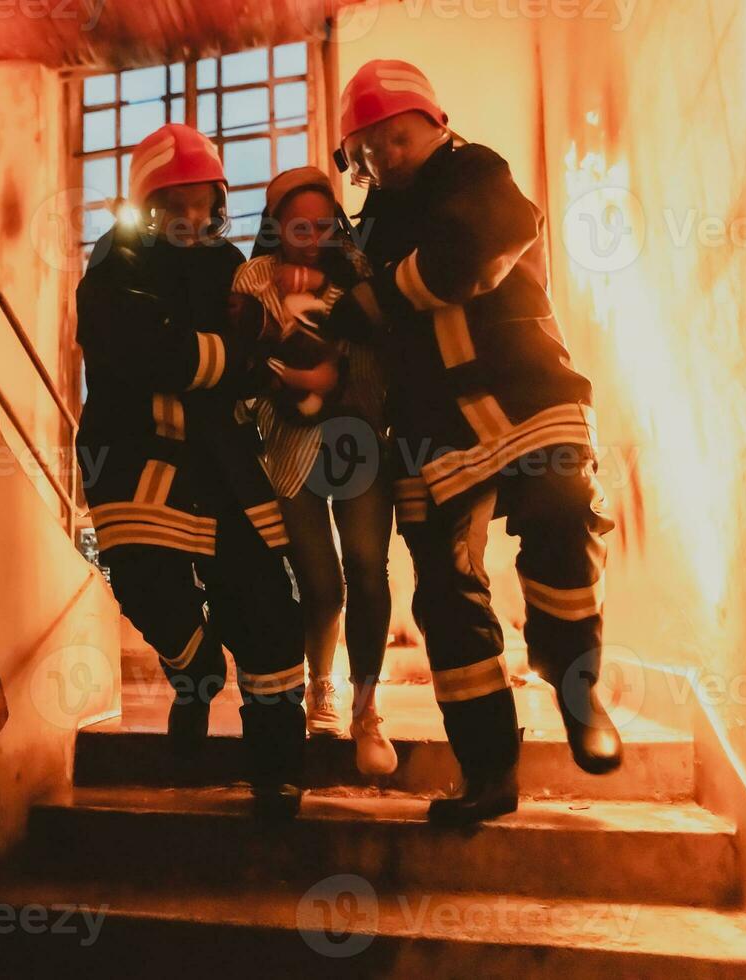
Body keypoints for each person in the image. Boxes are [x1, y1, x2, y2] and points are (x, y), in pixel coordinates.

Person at [306, 60, 623, 825]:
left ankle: (573, 683)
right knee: (447, 597)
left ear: (436, 126)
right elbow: (344, 318)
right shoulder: (369, 229)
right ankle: (487, 771)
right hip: (431, 429)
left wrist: (378, 301)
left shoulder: (481, 172)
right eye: (369, 151)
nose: (387, 158)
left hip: (528, 397)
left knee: (558, 518)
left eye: (400, 139)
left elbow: (477, 249)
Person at [75, 123, 308, 819]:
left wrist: (235, 359)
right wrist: (226, 359)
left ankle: (277, 772)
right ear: (149, 205)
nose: (192, 217)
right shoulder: (115, 263)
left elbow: (248, 357)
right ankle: (195, 667)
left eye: (204, 203)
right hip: (134, 455)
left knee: (267, 610)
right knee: (145, 580)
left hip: (226, 463)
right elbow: (144, 353)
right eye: (176, 204)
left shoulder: (230, 262)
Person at [229, 166, 397, 776]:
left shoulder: (357, 270)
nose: (312, 236)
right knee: (321, 583)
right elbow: (243, 358)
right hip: (289, 445)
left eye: (323, 224)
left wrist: (337, 373)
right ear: (276, 224)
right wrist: (293, 373)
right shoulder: (253, 278)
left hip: (358, 439)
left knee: (368, 571)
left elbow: (380, 351)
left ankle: (367, 707)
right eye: (298, 225)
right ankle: (320, 687)